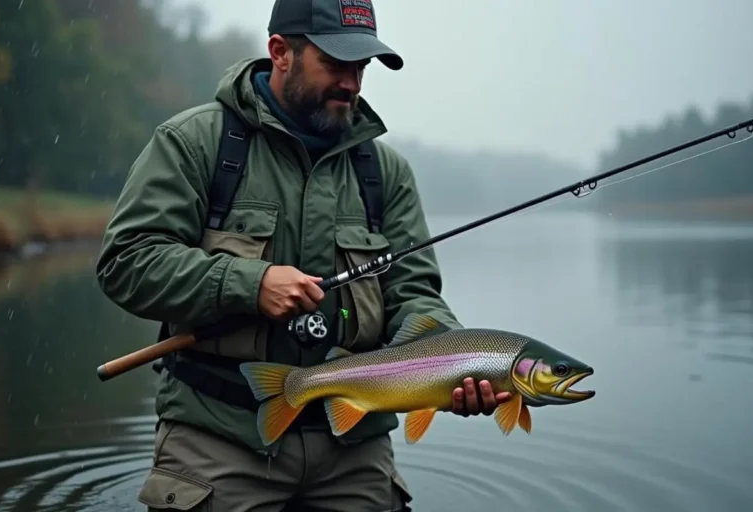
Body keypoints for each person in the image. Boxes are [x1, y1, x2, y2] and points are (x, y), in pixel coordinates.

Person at [95, 0, 510, 510]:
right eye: (336, 64)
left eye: (361, 68)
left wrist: (450, 365)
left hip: (355, 446)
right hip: (219, 434)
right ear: (279, 52)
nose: (352, 84)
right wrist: (248, 282)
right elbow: (126, 262)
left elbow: (413, 295)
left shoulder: (386, 173)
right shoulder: (195, 142)